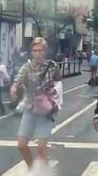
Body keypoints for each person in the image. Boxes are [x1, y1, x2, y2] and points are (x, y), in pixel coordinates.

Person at [10, 37, 63, 167]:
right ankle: (32, 169)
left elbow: (59, 83)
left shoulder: (53, 66)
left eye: (40, 50)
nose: (37, 53)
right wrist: (14, 88)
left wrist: (54, 94)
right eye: (34, 50)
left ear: (45, 52)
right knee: (22, 145)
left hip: (46, 111)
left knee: (41, 148)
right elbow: (18, 80)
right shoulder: (27, 67)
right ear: (31, 52)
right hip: (30, 108)